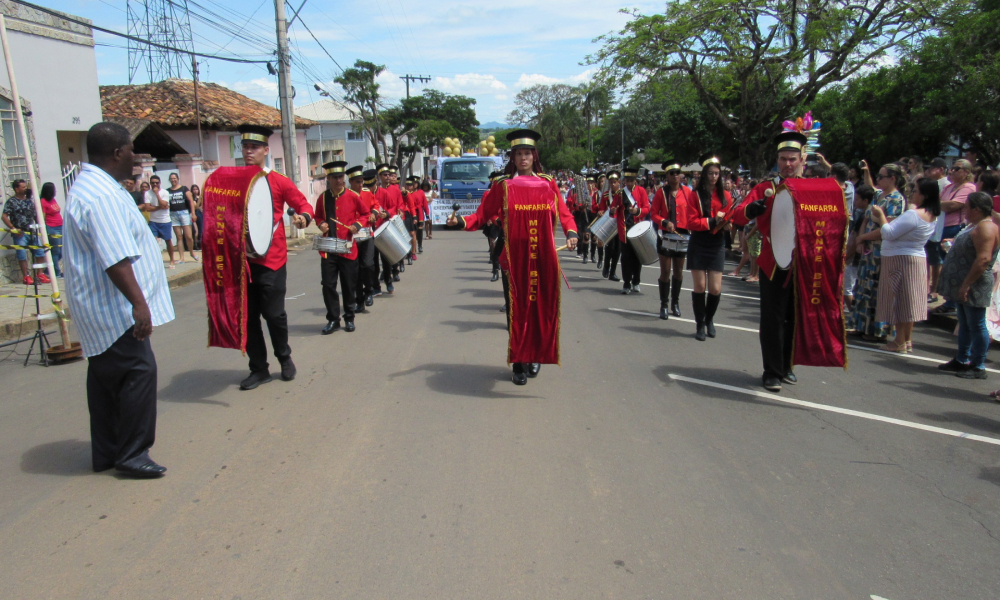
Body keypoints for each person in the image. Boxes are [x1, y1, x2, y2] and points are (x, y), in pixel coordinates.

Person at [64, 122, 175, 478]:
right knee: (139, 371)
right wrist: (139, 305)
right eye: (131, 150)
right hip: (112, 309)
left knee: (105, 378)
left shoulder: (91, 187)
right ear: (116, 153)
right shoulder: (103, 196)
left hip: (97, 307)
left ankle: (108, 452)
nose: (135, 157)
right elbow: (115, 258)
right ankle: (132, 453)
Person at [446, 129, 578, 385]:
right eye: (518, 154)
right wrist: (460, 220)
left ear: (534, 155)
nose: (523, 158)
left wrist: (571, 231)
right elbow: (482, 214)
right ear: (513, 158)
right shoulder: (503, 185)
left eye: (527, 153)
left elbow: (564, 212)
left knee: (540, 307)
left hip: (542, 258)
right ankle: (518, 362)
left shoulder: (548, 183)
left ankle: (535, 354)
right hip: (513, 259)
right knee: (517, 312)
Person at [235, 124, 314, 391]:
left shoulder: (277, 181)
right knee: (248, 318)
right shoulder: (233, 181)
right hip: (242, 262)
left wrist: (303, 217)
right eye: (245, 146)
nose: (249, 151)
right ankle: (258, 369)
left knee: (273, 313)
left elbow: (303, 205)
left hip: (272, 260)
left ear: (266, 151)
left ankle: (284, 357)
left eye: (254, 147)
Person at [734, 131, 808, 391]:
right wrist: (752, 210)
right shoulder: (765, 188)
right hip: (772, 260)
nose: (788, 164)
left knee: (795, 317)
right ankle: (772, 370)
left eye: (792, 159)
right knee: (772, 317)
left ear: (802, 160)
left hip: (803, 263)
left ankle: (787, 365)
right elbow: (739, 214)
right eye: (783, 159)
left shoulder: (812, 190)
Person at [855, 177, 939, 352]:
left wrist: (881, 217)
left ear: (924, 195)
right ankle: (906, 340)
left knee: (900, 302)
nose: (912, 194)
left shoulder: (914, 214)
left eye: (915, 191)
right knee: (910, 301)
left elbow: (889, 233)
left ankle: (899, 341)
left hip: (900, 258)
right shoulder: (932, 215)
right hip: (914, 258)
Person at [937, 192, 1000, 380]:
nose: (964, 210)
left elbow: (983, 259)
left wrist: (966, 284)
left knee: (977, 324)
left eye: (967, 206)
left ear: (977, 209)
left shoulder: (986, 228)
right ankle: (962, 359)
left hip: (975, 283)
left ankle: (977, 364)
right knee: (965, 322)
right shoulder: (975, 225)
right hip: (964, 283)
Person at [848, 162, 906, 341]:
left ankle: (878, 331)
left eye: (881, 176)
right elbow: (866, 217)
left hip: (882, 251)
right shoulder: (879, 195)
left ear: (892, 179)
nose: (878, 179)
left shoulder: (896, 200)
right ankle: (861, 325)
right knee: (863, 288)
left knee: (878, 291)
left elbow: (888, 226)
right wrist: (861, 238)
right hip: (868, 250)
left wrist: (864, 238)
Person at [679, 153, 732, 341]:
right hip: (699, 242)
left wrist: (727, 224)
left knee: (715, 288)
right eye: (710, 173)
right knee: (700, 286)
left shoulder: (726, 196)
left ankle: (709, 319)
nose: (714, 177)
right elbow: (691, 222)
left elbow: (728, 216)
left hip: (717, 243)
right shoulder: (695, 195)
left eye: (717, 173)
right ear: (704, 175)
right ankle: (699, 323)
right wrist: (712, 221)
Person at [314, 161, 367, 334]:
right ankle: (333, 319)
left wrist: (357, 225)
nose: (339, 180)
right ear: (328, 178)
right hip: (329, 249)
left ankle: (349, 317)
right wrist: (321, 224)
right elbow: (318, 217)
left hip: (347, 248)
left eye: (340, 177)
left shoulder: (352, 196)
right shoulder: (323, 198)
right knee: (328, 285)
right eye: (335, 177)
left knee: (348, 285)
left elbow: (366, 214)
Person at [932, 159, 978, 314]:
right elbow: (939, 202)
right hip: (942, 227)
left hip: (955, 228)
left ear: (966, 172)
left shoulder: (969, 187)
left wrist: (938, 204)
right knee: (945, 265)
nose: (951, 171)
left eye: (956, 169)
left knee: (953, 265)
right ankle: (949, 300)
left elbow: (954, 205)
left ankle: (952, 302)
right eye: (951, 168)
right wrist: (940, 203)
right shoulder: (949, 187)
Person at [649, 159, 693, 319]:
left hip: (682, 235)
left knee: (679, 271)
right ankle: (664, 304)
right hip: (666, 234)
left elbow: (692, 212)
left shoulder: (688, 192)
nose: (675, 176)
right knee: (665, 271)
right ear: (667, 176)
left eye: (677, 173)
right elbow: (653, 214)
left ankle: (675, 302)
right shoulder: (661, 192)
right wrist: (664, 222)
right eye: (671, 174)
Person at [2, 179, 49, 284]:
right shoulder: (11, 202)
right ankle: (26, 276)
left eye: (25, 187)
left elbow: (36, 215)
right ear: (16, 189)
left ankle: (40, 274)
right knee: (22, 254)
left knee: (40, 252)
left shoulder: (29, 201)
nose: (25, 189)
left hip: (32, 232)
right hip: (20, 233)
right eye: (22, 187)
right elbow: (4, 216)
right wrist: (13, 228)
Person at [613, 168, 651, 293]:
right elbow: (613, 209)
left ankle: (636, 281)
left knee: (637, 257)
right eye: (627, 181)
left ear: (635, 181)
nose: (629, 183)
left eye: (631, 181)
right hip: (624, 229)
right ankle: (626, 283)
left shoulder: (641, 191)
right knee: (625, 258)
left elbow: (646, 208)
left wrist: (637, 211)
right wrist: (613, 210)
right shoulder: (619, 193)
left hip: (637, 229)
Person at [844, 185, 876, 311]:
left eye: (857, 199)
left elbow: (856, 240)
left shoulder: (865, 216)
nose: (855, 202)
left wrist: (847, 256)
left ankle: (853, 315)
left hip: (854, 258)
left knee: (847, 289)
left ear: (865, 201)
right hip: (855, 257)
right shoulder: (863, 214)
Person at [140, 175, 175, 268]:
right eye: (153, 183)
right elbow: (148, 208)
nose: (155, 184)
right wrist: (160, 207)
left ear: (160, 183)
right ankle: (156, 260)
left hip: (165, 220)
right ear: (150, 183)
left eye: (156, 182)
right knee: (153, 241)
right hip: (153, 221)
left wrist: (157, 194)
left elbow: (164, 203)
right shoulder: (147, 193)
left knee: (168, 241)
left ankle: (172, 260)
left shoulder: (165, 192)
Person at [166, 172, 198, 263]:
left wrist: (193, 213)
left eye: (174, 178)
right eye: (171, 178)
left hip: (184, 213)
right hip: (173, 214)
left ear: (178, 179)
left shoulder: (184, 189)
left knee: (188, 236)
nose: (173, 180)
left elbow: (191, 201)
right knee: (179, 237)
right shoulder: (168, 191)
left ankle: (192, 252)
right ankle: (181, 257)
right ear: (169, 180)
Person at [600, 172, 622, 282]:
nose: (613, 184)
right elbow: (601, 208)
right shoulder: (605, 195)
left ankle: (613, 272)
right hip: (609, 224)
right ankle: (606, 267)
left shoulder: (622, 194)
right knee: (609, 248)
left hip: (619, 225)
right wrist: (600, 212)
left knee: (618, 249)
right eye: (611, 182)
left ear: (619, 182)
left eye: (615, 182)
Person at [39, 182, 63, 278]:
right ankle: (56, 273)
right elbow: (43, 216)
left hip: (60, 226)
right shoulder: (43, 201)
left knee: (61, 251)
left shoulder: (53, 200)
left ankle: (48, 270)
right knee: (55, 251)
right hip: (52, 227)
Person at [190, 183, 203, 251]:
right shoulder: (193, 198)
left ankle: (201, 243)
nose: (195, 191)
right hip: (197, 213)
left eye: (196, 189)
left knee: (203, 229)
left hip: (203, 213)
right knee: (199, 230)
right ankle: (198, 244)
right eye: (194, 189)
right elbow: (196, 207)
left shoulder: (200, 197)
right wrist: (199, 200)